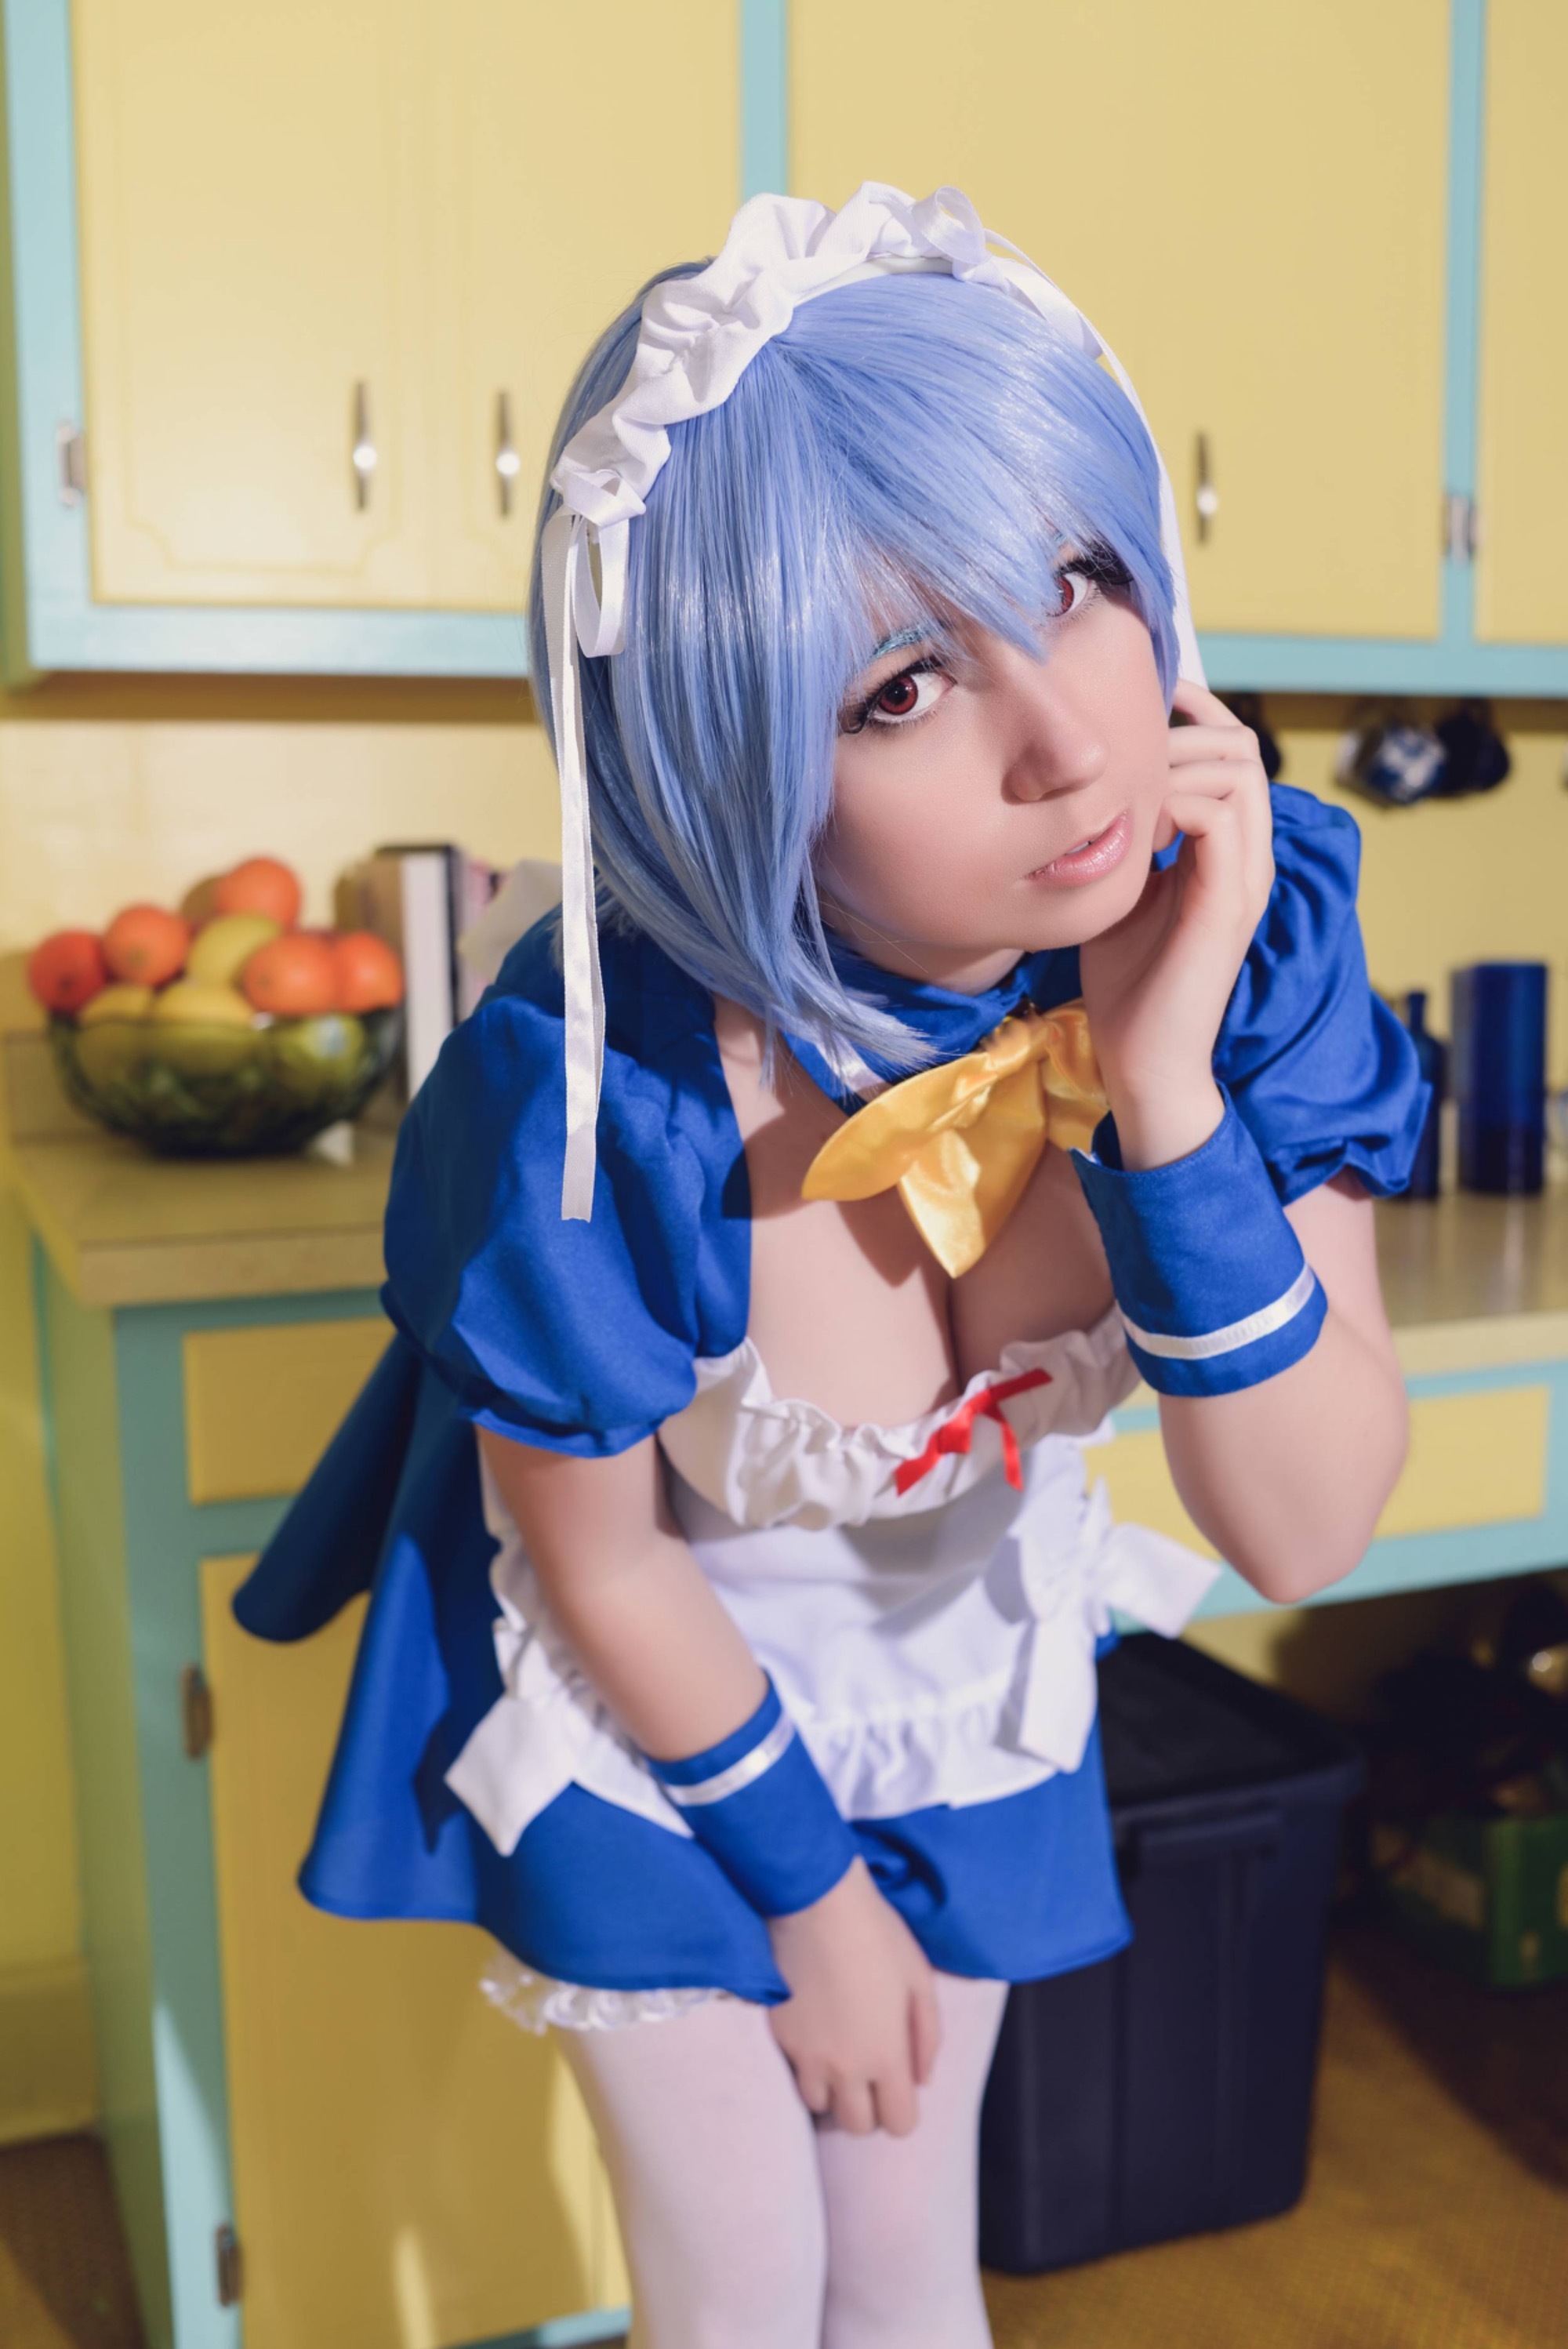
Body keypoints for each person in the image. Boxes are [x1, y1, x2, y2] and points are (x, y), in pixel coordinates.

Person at [238, 184, 1425, 2349]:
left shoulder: (1245, 924)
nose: (1072, 741)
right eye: (901, 684)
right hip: (657, 1708)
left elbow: (1304, 1522)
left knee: (904, 2274)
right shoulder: (602, 1082)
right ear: (729, 752)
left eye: (1079, 581)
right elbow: (602, 1557)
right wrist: (813, 1900)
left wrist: (1166, 1089)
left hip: (955, 1675)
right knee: (741, 2291)